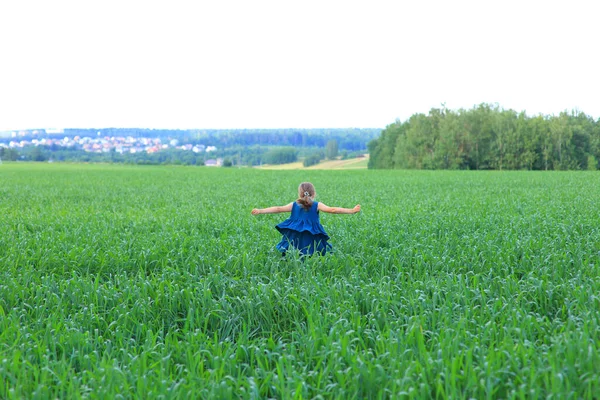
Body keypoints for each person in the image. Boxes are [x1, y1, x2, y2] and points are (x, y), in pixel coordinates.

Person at [251, 182, 361, 256]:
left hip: (294, 235)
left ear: (300, 194)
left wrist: (261, 211)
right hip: (312, 235)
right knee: (317, 253)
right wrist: (351, 211)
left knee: (289, 252)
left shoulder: (294, 205)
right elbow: (332, 210)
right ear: (313, 193)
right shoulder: (317, 205)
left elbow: (278, 209)